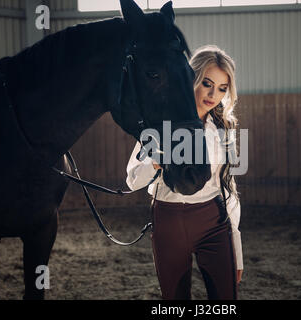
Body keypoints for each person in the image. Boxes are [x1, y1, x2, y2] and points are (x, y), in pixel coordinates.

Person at [126, 45, 243, 300]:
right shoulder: (159, 123)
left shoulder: (224, 129)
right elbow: (132, 179)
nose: (214, 95)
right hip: (168, 222)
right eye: (207, 84)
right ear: (192, 79)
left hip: (214, 221)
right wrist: (155, 163)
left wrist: (237, 248)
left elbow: (228, 187)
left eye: (223, 88)